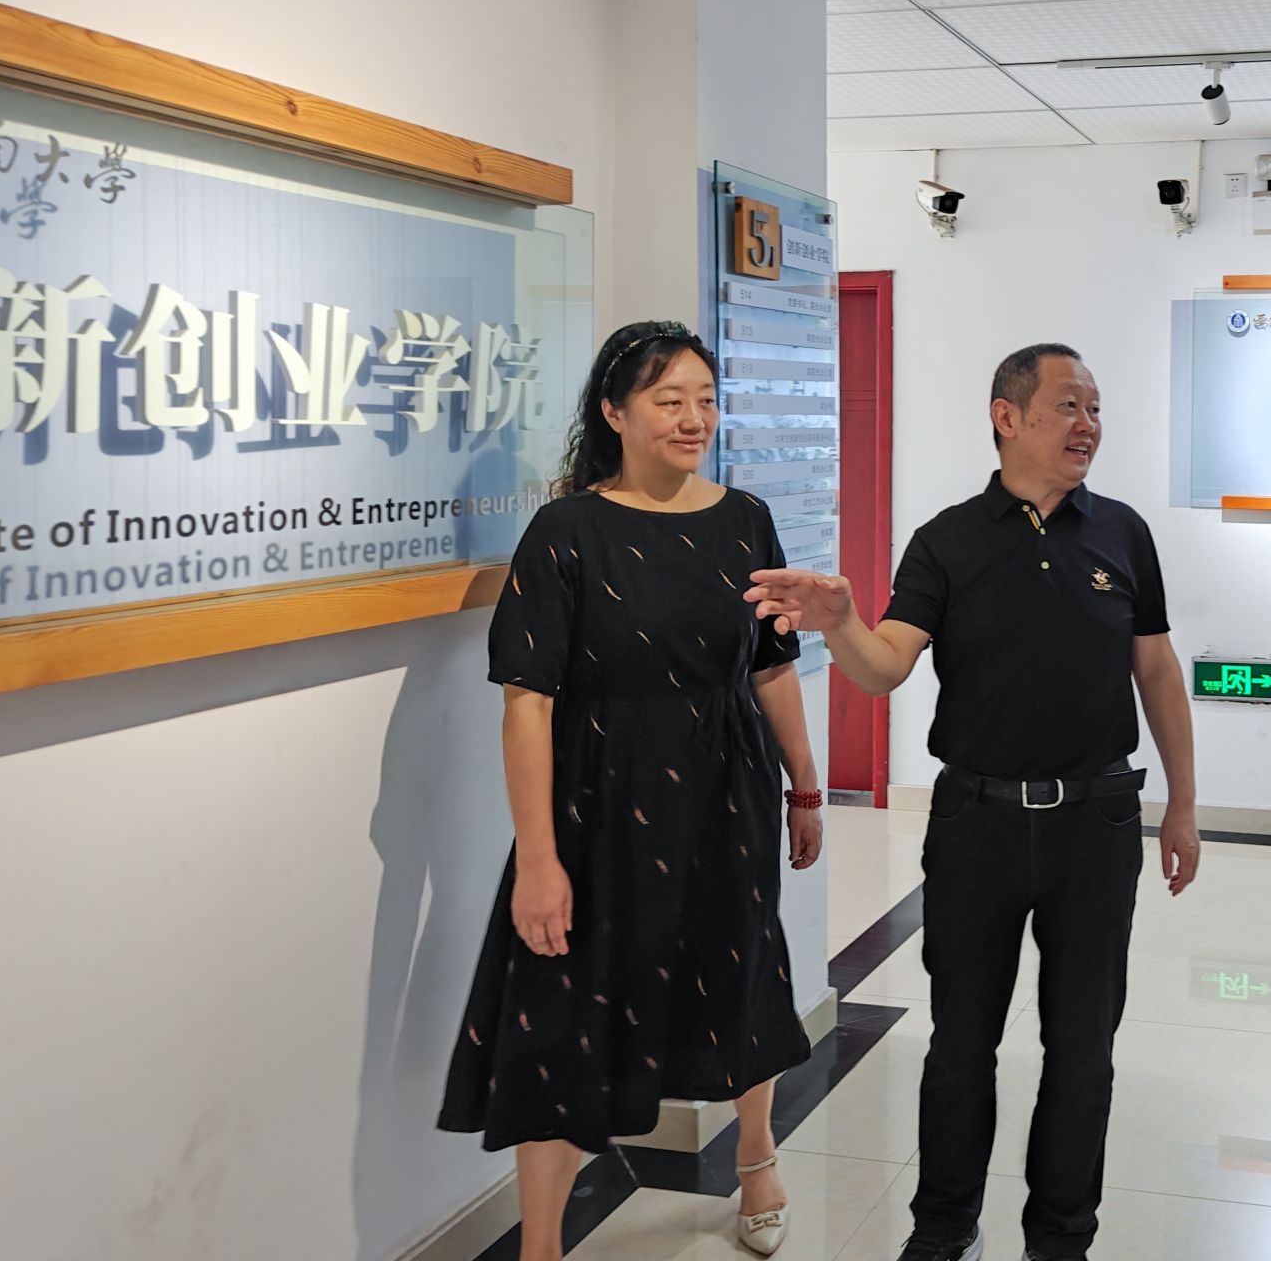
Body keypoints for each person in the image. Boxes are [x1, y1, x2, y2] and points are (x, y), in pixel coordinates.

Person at [746, 342, 1201, 1261]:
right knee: (961, 1045)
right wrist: (842, 622)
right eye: (1070, 405)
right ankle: (944, 1228)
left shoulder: (1122, 533)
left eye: (1095, 408)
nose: (1088, 425)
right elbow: (886, 667)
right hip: (975, 823)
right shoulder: (947, 540)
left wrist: (1182, 803)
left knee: (1083, 1049)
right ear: (1008, 416)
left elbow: (1155, 668)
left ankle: (1061, 1237)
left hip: (1096, 820)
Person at [438, 321, 824, 1261]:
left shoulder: (745, 519)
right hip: (597, 805)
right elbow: (526, 704)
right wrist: (539, 861)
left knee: (742, 973)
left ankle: (758, 1158)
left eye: (705, 399)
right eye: (668, 400)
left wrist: (806, 787)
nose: (693, 419)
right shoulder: (568, 530)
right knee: (558, 1015)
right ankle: (540, 1245)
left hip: (726, 794)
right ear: (614, 413)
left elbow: (773, 665)